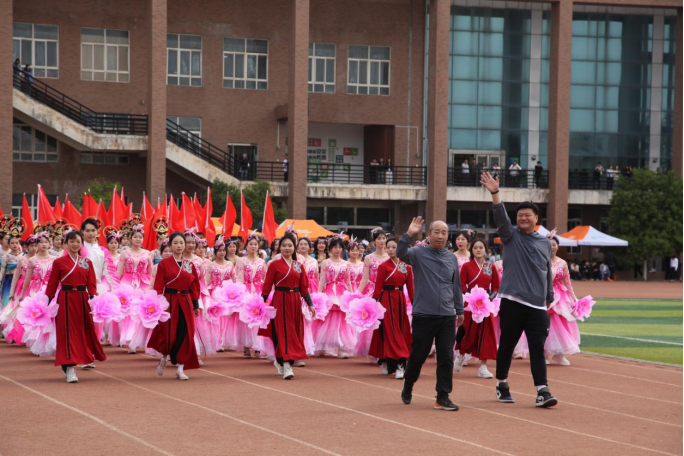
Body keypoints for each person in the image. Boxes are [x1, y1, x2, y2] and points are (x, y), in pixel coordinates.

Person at [480, 171, 557, 408]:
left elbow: (547, 270)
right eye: (520, 215)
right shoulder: (510, 236)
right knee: (507, 345)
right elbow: (501, 217)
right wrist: (495, 193)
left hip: (538, 306)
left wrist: (549, 295)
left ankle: (542, 391)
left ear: (536, 218)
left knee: (537, 348)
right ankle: (501, 383)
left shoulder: (545, 243)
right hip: (512, 301)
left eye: (527, 215)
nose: (523, 218)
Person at [398, 217, 464, 411]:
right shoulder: (418, 253)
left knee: (446, 357)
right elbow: (401, 252)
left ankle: (442, 396)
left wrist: (459, 310)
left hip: (447, 316)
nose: (440, 236)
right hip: (424, 315)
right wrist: (409, 234)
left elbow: (456, 285)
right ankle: (409, 383)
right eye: (436, 232)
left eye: (444, 232)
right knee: (418, 355)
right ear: (428, 235)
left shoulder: (451, 258)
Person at [45, 230, 106, 383]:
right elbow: (52, 284)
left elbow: (91, 284)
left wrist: (93, 298)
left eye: (78, 241)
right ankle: (69, 367)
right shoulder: (59, 262)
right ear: (66, 243)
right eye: (71, 241)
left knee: (80, 332)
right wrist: (46, 301)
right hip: (65, 299)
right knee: (66, 332)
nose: (75, 244)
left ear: (81, 244)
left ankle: (77, 361)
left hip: (82, 299)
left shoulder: (86, 262)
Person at [259, 232, 316, 380]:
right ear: (279, 248)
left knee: (294, 332)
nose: (287, 248)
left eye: (290, 245)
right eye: (284, 245)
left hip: (295, 301)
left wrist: (310, 304)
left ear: (294, 247)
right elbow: (267, 286)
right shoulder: (274, 264)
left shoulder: (298, 266)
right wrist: (261, 303)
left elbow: (304, 287)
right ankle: (286, 365)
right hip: (280, 300)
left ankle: (281, 361)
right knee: (284, 331)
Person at [148, 232, 201, 380]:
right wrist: (158, 304)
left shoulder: (189, 265)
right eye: (176, 243)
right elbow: (158, 286)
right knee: (169, 335)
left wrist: (196, 304)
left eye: (181, 243)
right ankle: (164, 356)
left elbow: (194, 286)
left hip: (185, 301)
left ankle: (180, 368)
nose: (179, 246)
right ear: (170, 245)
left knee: (186, 334)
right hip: (169, 301)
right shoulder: (163, 264)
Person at [454, 239, 500, 379]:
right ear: (471, 250)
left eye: (481, 247)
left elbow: (496, 286)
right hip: (471, 304)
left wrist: (490, 297)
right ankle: (461, 354)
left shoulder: (490, 267)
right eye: (475, 248)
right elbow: (462, 285)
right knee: (469, 333)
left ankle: (483, 367)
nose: (478, 250)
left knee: (486, 335)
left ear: (485, 250)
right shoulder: (467, 266)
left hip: (486, 304)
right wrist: (472, 296)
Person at [369, 237, 414, 379]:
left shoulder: (407, 267)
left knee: (400, 330)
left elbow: (411, 289)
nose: (390, 250)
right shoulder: (383, 266)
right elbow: (378, 288)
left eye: (394, 247)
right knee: (391, 331)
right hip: (386, 301)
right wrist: (373, 304)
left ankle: (385, 360)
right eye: (388, 247)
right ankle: (400, 363)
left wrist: (415, 304)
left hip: (400, 301)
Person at [315, 236, 355, 358]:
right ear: (330, 248)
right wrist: (318, 295)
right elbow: (322, 280)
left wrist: (352, 295)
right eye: (335, 247)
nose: (337, 250)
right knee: (326, 319)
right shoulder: (325, 262)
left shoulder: (346, 263)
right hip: (329, 292)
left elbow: (348, 281)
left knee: (342, 321)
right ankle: (322, 345)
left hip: (342, 292)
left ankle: (341, 348)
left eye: (340, 247)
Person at [545, 236, 581, 366]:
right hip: (544, 294)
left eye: (554, 244)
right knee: (545, 324)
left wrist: (573, 297)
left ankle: (559, 354)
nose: (552, 247)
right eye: (549, 244)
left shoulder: (563, 263)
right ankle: (544, 353)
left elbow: (567, 281)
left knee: (562, 323)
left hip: (560, 296)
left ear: (557, 246)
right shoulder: (540, 260)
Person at [117, 224, 152, 354]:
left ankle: (139, 340)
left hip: (144, 282)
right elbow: (119, 271)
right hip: (127, 282)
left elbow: (150, 271)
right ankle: (130, 340)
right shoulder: (125, 253)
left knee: (142, 311)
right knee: (129, 312)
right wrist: (115, 287)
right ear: (131, 238)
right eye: (135, 237)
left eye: (140, 237)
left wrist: (152, 286)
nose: (138, 239)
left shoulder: (147, 253)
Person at [355, 228, 390, 359]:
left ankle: (386, 350)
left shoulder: (390, 257)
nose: (382, 241)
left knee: (387, 321)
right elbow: (365, 279)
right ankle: (374, 351)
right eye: (379, 238)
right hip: (372, 292)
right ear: (374, 241)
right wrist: (356, 294)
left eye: (383, 238)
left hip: (387, 291)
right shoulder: (368, 258)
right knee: (373, 321)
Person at [235, 234, 267, 357]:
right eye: (251, 244)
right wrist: (240, 294)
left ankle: (258, 348)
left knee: (259, 319)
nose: (253, 246)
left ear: (258, 246)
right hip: (246, 291)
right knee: (247, 319)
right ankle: (247, 345)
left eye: (255, 244)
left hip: (259, 292)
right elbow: (239, 278)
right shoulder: (241, 260)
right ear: (246, 246)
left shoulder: (262, 261)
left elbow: (264, 278)